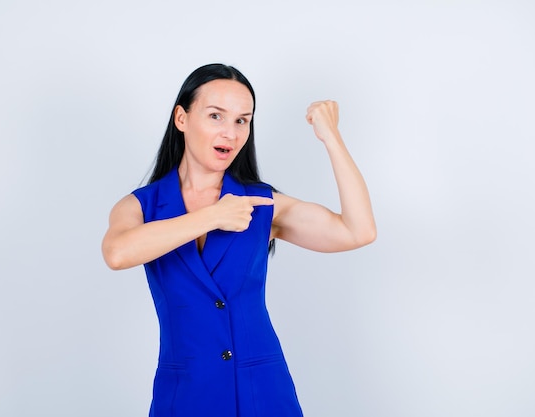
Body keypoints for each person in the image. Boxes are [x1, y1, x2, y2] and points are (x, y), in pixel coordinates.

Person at [102, 63, 376, 417]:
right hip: (185, 395)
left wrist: (331, 137)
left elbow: (359, 230)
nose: (230, 133)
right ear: (181, 119)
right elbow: (117, 253)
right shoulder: (141, 205)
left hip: (262, 391)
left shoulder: (261, 204)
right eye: (216, 116)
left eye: (242, 120)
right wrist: (212, 215)